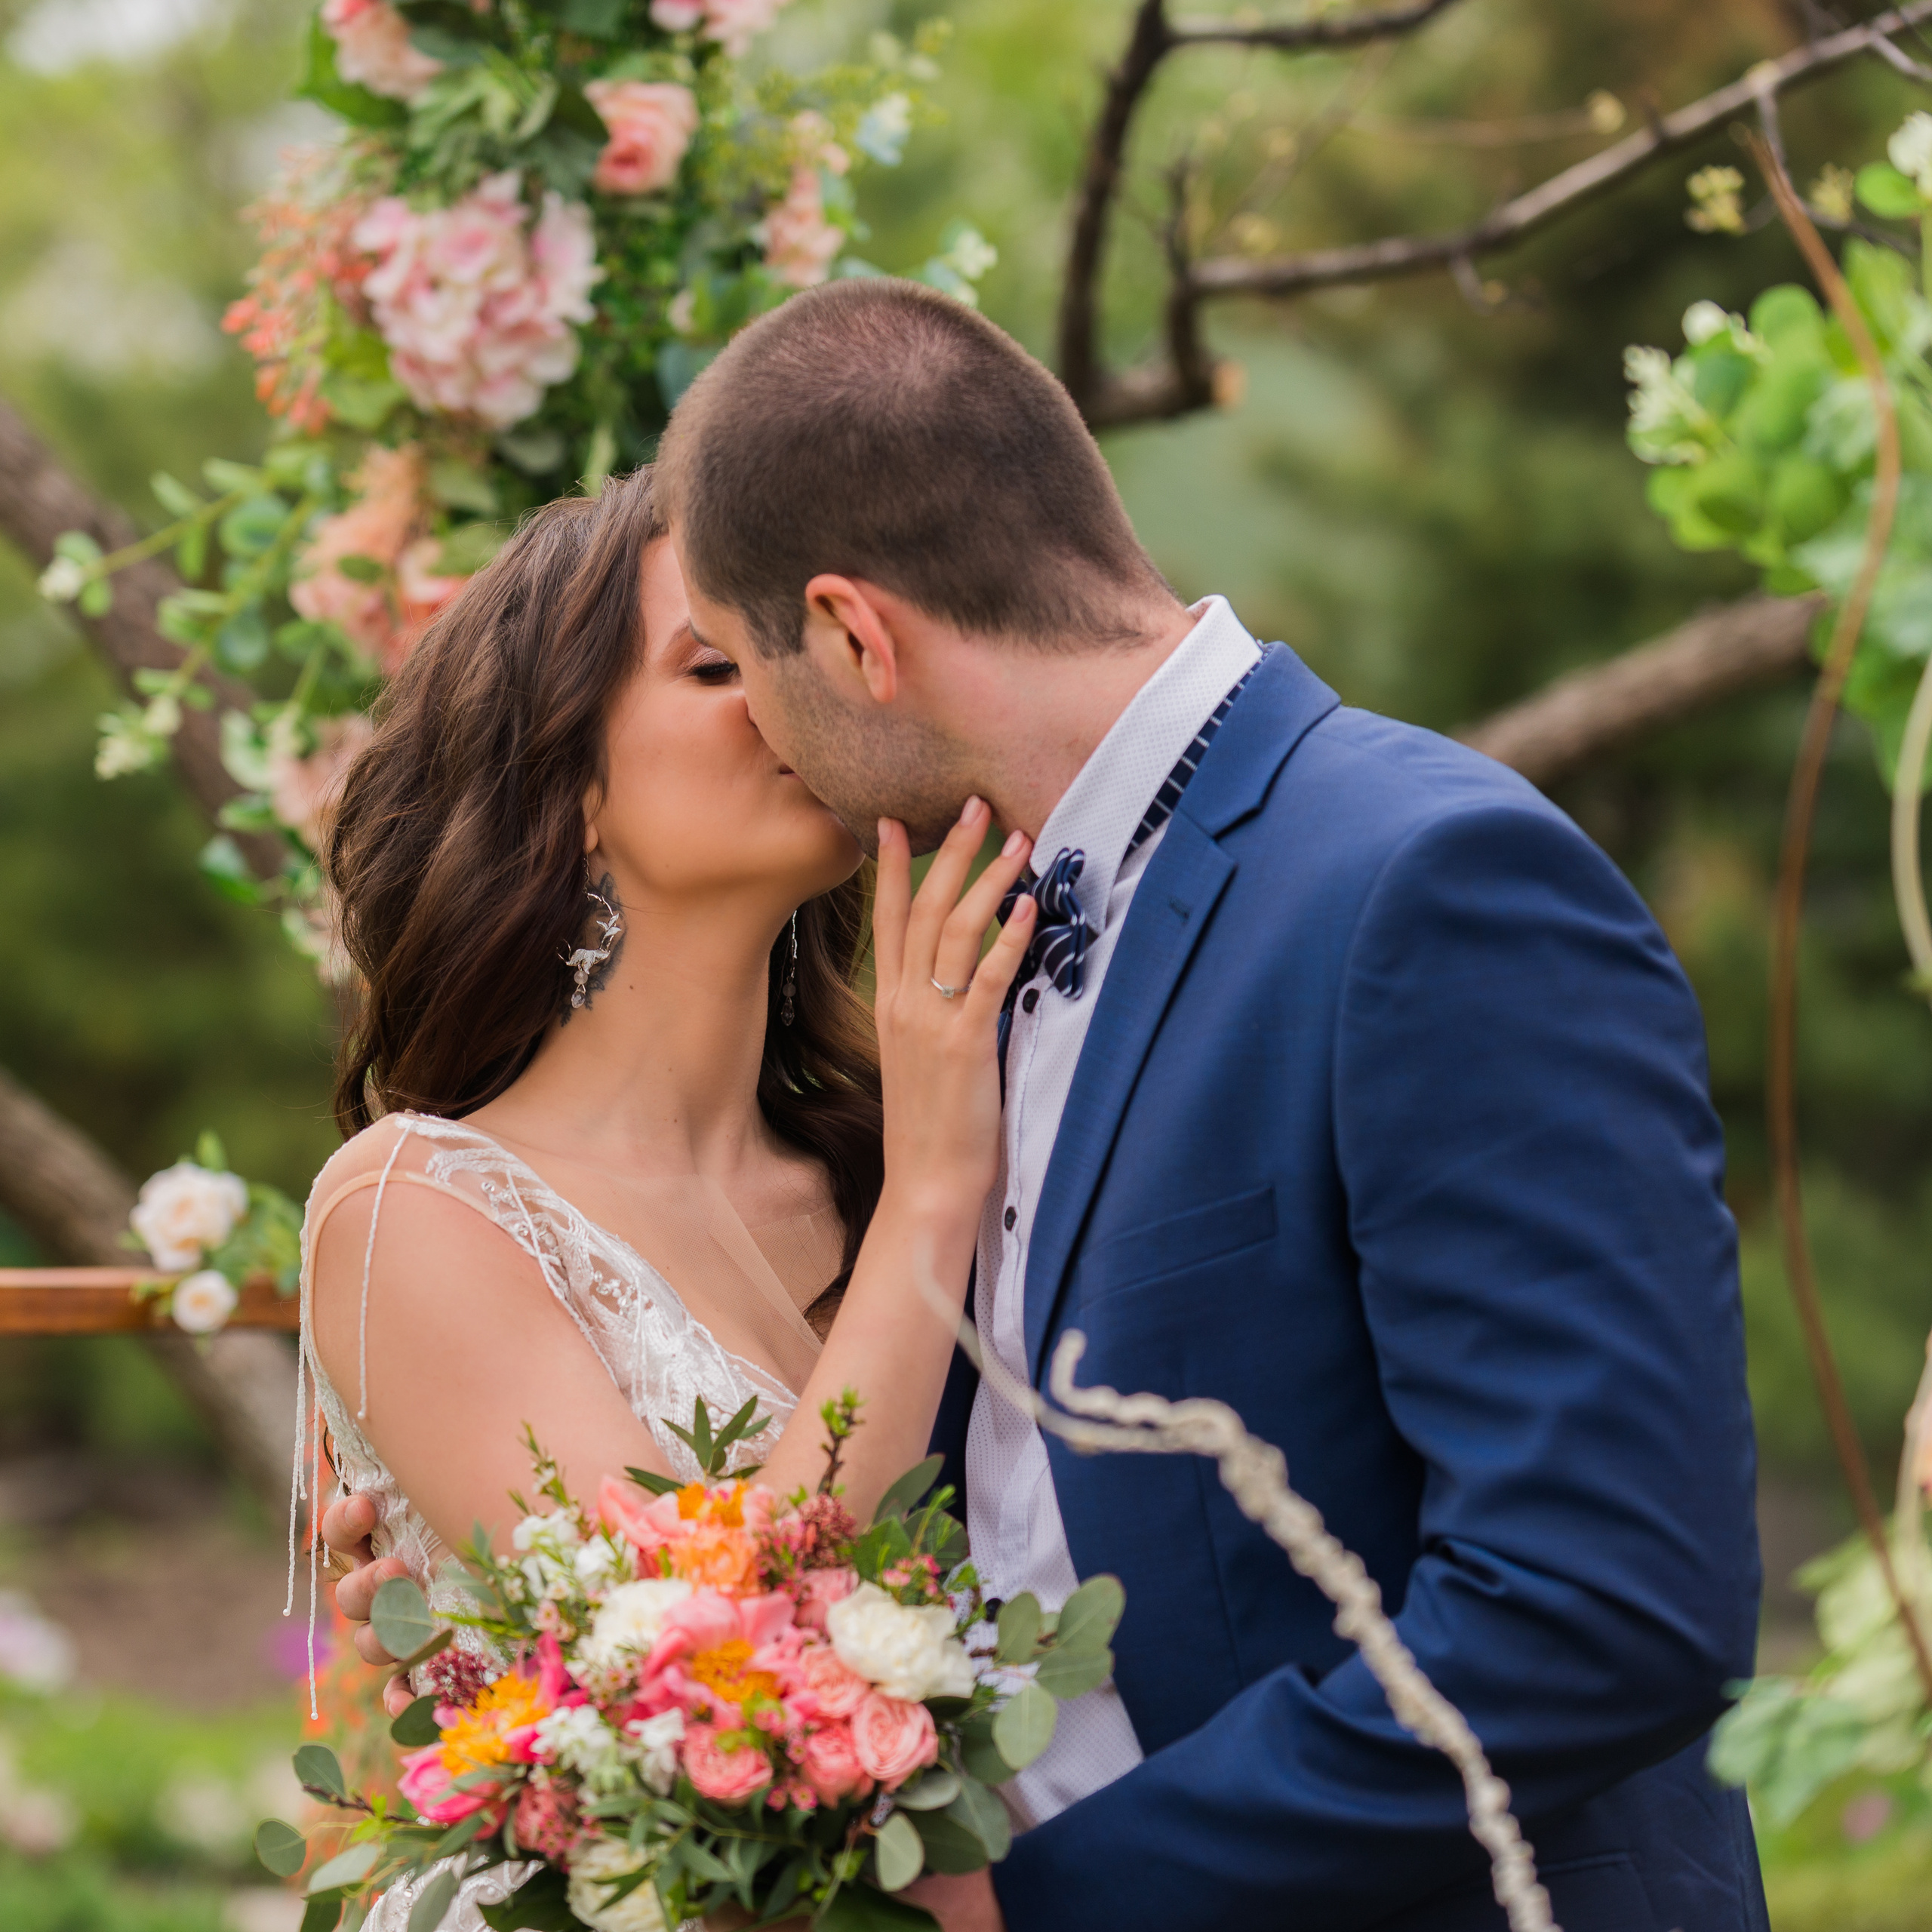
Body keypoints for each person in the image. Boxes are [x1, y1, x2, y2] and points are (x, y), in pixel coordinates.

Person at [330, 278, 1768, 1932]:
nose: (765, 723)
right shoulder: (967, 1017)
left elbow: (1601, 1602)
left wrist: (1037, 1905)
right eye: (698, 669)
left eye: (750, 659)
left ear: (854, 636)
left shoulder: (1418, 882)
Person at [297, 465, 1040, 1926]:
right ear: (567, 793)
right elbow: (712, 1684)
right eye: (715, 662)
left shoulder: (895, 1145)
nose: (791, 687)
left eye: (799, 644)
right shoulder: (411, 1210)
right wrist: (938, 1192)